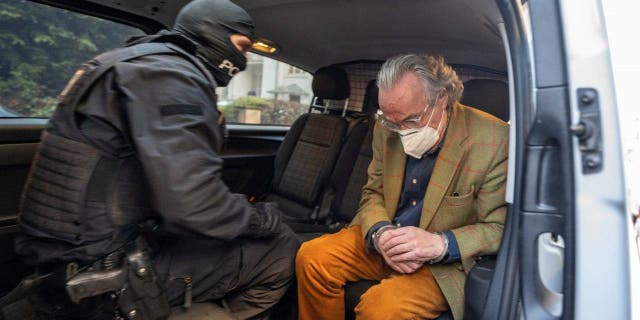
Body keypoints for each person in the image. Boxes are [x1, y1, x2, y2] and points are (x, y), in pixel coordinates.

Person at [13, 0, 298, 319]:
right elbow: (194, 206)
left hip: (65, 259)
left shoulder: (127, 62)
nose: (242, 59)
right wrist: (262, 218)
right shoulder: (173, 75)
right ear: (211, 33)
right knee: (281, 246)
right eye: (242, 47)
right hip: (106, 272)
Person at [295, 54, 509, 320]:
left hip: (442, 263)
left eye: (410, 121)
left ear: (441, 98)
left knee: (382, 308)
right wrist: (379, 233)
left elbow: (498, 227)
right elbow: (373, 192)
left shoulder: (494, 140)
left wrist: (439, 244)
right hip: (387, 240)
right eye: (390, 121)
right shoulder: (386, 127)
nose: (400, 131)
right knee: (312, 257)